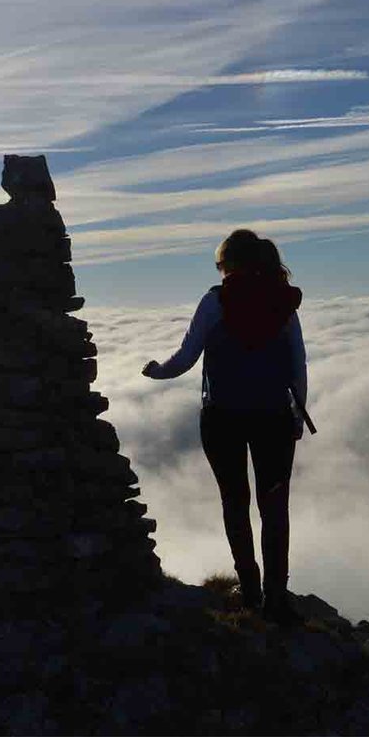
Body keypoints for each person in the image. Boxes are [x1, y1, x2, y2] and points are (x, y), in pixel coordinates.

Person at [142, 229, 309, 623]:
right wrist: (297, 416)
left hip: (222, 418)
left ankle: (249, 589)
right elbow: (298, 363)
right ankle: (277, 598)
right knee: (274, 507)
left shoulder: (214, 302)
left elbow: (186, 356)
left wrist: (156, 372)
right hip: (274, 419)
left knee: (235, 502)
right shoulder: (283, 302)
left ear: (230, 264)